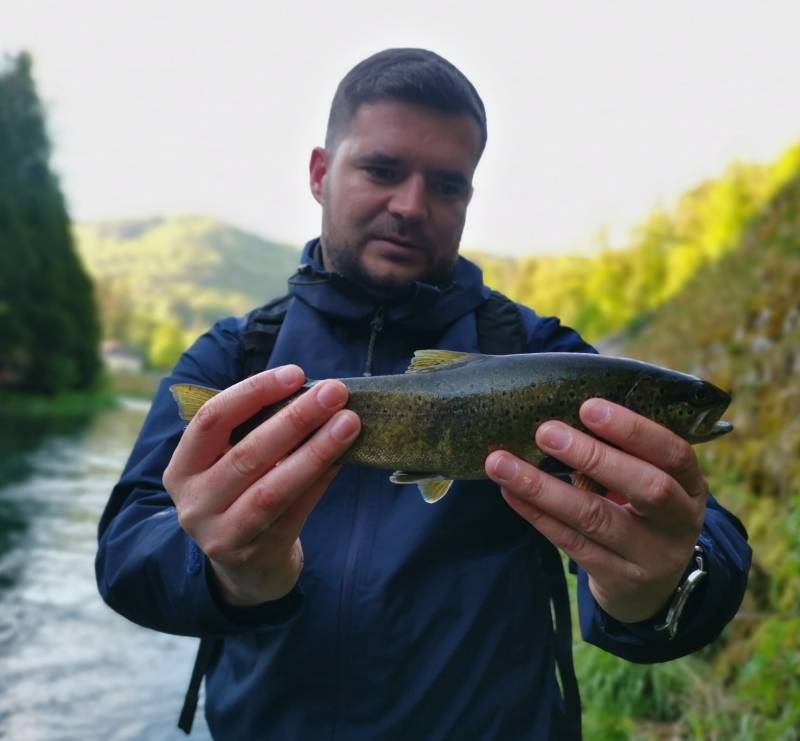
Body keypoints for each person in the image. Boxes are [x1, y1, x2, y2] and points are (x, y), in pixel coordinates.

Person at [96, 48, 751, 740]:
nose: (411, 206)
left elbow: (708, 537)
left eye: (447, 185)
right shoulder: (238, 360)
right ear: (320, 173)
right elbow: (128, 546)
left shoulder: (541, 355)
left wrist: (664, 585)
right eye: (381, 170)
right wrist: (225, 575)